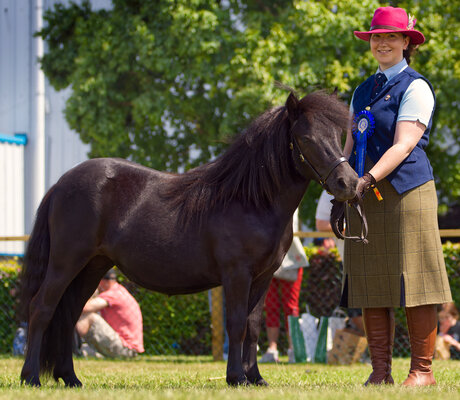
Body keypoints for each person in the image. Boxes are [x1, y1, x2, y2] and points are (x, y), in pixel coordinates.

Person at [338, 6, 452, 387]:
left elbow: (404, 145)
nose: (382, 42)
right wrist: (342, 182)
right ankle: (380, 372)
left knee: (417, 282)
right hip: (363, 194)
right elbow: (350, 143)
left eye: (390, 36)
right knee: (371, 281)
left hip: (407, 193)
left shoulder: (416, 87)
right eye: (376, 36)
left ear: (407, 42)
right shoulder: (361, 90)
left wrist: (366, 178)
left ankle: (422, 372)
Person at [260, 210, 307, 363]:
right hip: (270, 257)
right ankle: (272, 349)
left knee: (290, 307)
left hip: (290, 258)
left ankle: (294, 349)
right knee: (271, 306)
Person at [316, 190, 364, 337]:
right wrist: (347, 226)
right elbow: (321, 224)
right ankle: (373, 347)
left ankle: (379, 348)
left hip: (377, 256)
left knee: (378, 307)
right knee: (354, 310)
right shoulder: (330, 191)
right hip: (349, 260)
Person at [76, 268, 145, 358]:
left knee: (90, 318)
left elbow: (84, 308)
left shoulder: (113, 294)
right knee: (84, 350)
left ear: (102, 282)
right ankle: (71, 348)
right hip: (126, 349)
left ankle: (66, 343)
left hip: (125, 348)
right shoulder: (119, 291)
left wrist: (91, 291)